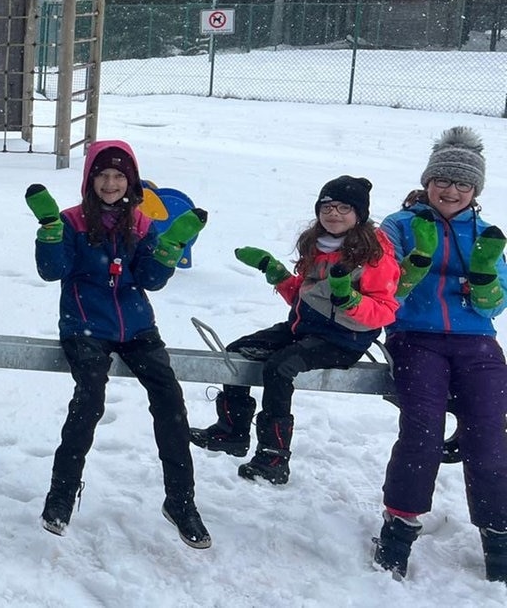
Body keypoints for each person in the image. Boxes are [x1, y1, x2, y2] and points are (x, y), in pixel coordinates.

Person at [26, 140, 212, 548]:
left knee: (170, 400)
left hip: (137, 327)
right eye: (102, 175)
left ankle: (181, 502)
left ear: (130, 182)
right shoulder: (72, 221)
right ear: (90, 179)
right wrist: (50, 232)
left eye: (118, 176)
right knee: (89, 399)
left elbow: (149, 280)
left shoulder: (141, 223)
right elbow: (51, 270)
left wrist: (166, 250)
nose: (110, 183)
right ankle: (60, 496)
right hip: (85, 325)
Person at [190, 176, 400, 485]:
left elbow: (385, 310)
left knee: (279, 367)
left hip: (344, 339)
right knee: (235, 352)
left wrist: (350, 300)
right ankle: (231, 430)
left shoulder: (373, 255)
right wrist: (274, 271)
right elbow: (307, 296)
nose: (334, 214)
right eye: (327, 207)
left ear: (360, 215)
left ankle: (274, 457)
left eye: (344, 208)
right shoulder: (317, 245)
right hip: (303, 329)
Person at [371, 126, 507, 582]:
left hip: (477, 343)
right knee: (422, 433)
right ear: (428, 182)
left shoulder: (487, 233)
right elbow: (382, 281)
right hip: (416, 337)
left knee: (490, 438)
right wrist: (415, 270)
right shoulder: (400, 224)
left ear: (475, 191)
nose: (451, 191)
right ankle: (399, 525)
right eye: (443, 181)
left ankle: (498, 533)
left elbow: (498, 301)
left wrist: (486, 285)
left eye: (462, 184)